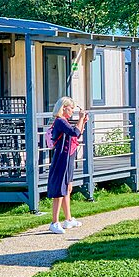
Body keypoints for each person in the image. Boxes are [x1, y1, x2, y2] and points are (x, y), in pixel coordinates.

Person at [47, 97, 87, 234]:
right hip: (61, 159)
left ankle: (68, 219)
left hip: (68, 157)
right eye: (71, 108)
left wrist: (82, 122)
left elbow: (77, 134)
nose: (72, 111)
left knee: (67, 188)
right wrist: (80, 119)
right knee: (59, 189)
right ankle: (54, 222)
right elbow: (74, 132)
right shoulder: (60, 121)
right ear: (64, 108)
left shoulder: (65, 122)